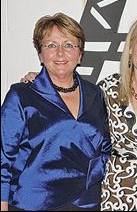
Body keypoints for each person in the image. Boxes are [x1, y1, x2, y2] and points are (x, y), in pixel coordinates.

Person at [20, 15, 137, 211]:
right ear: (131, 48)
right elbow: (74, 115)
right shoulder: (108, 88)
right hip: (111, 190)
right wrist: (41, 82)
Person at [1, 13, 112, 211]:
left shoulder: (95, 94)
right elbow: (3, 156)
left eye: (69, 45)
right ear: (40, 54)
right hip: (33, 203)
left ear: (80, 54)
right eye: (51, 45)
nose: (60, 53)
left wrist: (89, 177)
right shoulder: (22, 95)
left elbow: (106, 146)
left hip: (85, 202)